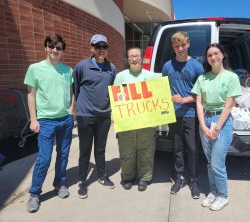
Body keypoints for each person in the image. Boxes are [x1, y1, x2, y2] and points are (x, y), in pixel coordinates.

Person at [24, 34, 74, 213]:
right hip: (45, 121)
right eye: (51, 46)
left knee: (63, 154)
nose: (55, 50)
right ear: (45, 48)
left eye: (59, 48)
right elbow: (30, 94)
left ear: (62, 50)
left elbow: (71, 91)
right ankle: (35, 193)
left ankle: (59, 184)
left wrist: (71, 110)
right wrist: (33, 119)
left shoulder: (68, 71)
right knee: (44, 158)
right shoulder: (35, 69)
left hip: (66, 120)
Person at [192, 43, 242, 211]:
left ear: (222, 55)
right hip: (205, 120)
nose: (213, 57)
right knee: (209, 161)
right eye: (209, 55)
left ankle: (223, 195)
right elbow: (199, 103)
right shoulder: (202, 78)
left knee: (217, 163)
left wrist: (217, 128)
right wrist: (203, 125)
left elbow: (229, 105)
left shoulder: (231, 77)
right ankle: (213, 191)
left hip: (222, 121)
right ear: (207, 59)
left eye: (216, 53)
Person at [73, 34, 117, 199]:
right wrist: (79, 107)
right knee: (85, 150)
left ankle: (101, 175)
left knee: (100, 149)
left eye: (104, 47)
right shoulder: (81, 66)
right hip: (85, 115)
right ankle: (82, 181)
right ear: (91, 47)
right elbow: (76, 88)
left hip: (104, 115)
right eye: (97, 46)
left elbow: (114, 91)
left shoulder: (112, 68)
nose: (101, 50)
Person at [162, 31, 204, 199]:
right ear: (173, 47)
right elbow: (162, 88)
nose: (180, 48)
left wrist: (185, 99)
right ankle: (179, 177)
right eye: (176, 45)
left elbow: (202, 92)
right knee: (177, 147)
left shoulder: (197, 66)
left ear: (188, 44)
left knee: (192, 148)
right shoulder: (167, 66)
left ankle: (194, 179)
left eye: (183, 45)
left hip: (191, 113)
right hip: (174, 114)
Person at [113, 47, 156, 191]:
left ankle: (144, 177)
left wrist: (155, 120)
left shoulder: (151, 76)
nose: (134, 59)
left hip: (146, 122)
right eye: (131, 56)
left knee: (146, 151)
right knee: (127, 151)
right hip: (127, 122)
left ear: (142, 58)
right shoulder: (121, 76)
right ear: (127, 59)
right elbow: (116, 98)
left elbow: (156, 98)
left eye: (137, 56)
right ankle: (127, 177)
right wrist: (114, 114)